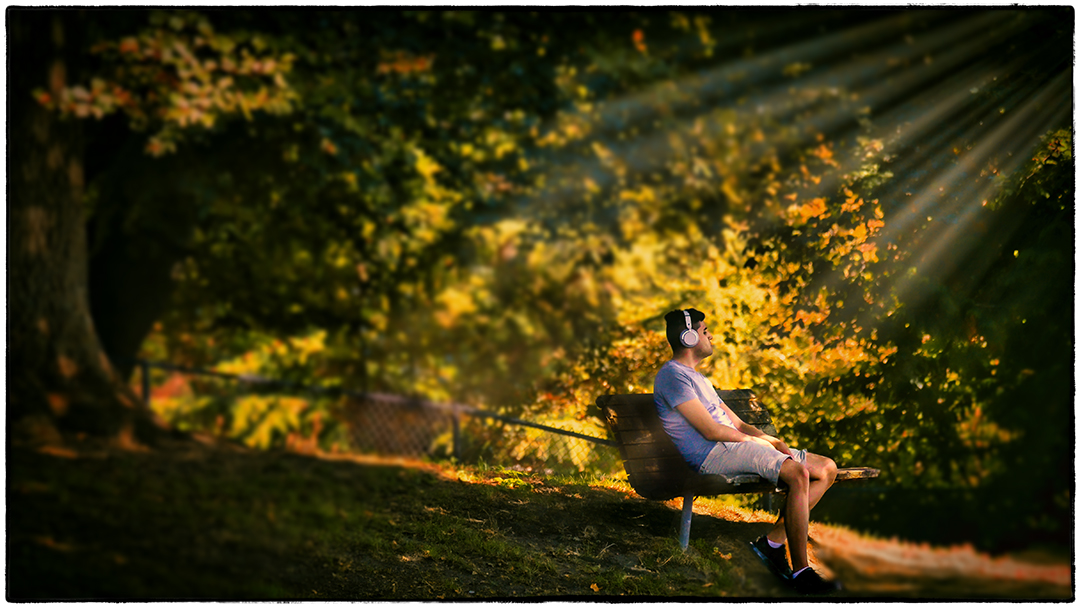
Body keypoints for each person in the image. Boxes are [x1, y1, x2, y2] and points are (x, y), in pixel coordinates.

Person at [653, 308, 841, 595]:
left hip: (733, 446)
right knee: (798, 472)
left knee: (826, 468)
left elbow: (738, 422)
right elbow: (711, 431)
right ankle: (801, 572)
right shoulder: (672, 376)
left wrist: (771, 440)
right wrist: (758, 444)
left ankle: (773, 543)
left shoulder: (699, 379)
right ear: (688, 337)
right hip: (713, 454)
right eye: (704, 331)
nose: (710, 335)